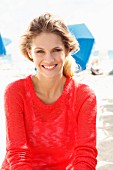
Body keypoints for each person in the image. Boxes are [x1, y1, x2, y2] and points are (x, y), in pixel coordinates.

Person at [1, 12, 98, 170]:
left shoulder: (84, 96)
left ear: (67, 51)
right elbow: (17, 153)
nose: (49, 59)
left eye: (56, 50)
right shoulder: (15, 92)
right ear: (29, 53)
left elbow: (85, 154)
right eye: (40, 51)